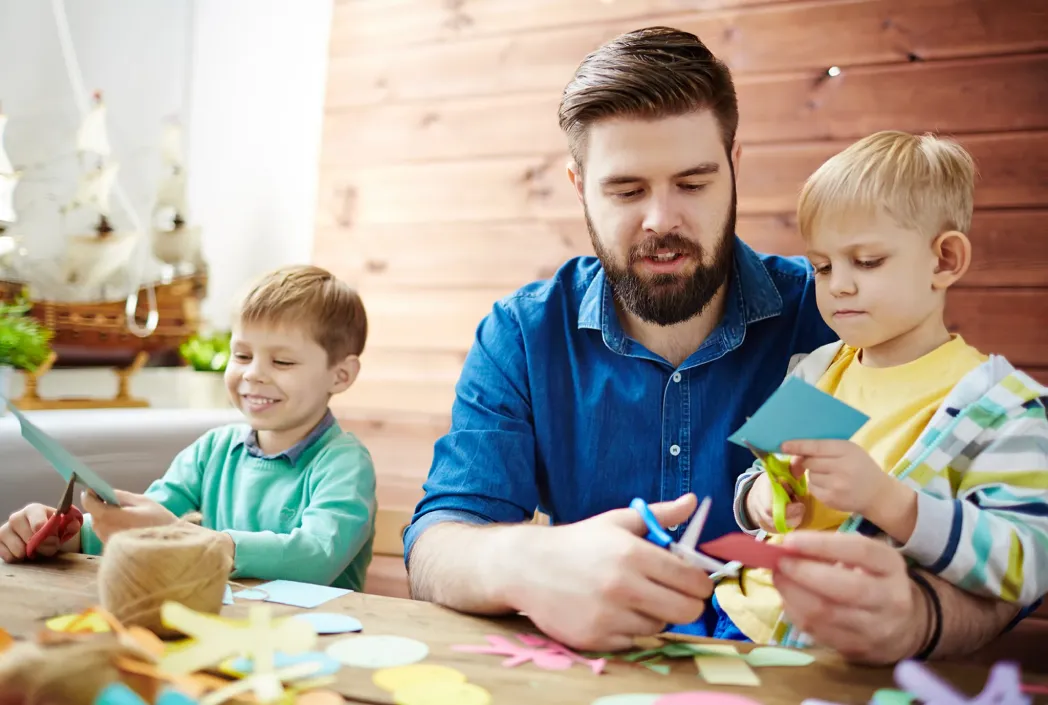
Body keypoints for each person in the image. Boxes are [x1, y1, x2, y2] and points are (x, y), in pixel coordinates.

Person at [403, 27, 1029, 663]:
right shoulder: (522, 334)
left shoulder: (844, 318)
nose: (661, 220)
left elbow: (1015, 555)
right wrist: (525, 562)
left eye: (694, 183)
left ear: (734, 165)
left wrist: (919, 618)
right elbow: (436, 545)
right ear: (578, 184)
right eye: (625, 190)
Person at [710, 131, 1048, 647]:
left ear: (944, 261)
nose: (838, 284)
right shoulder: (819, 370)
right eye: (822, 266)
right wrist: (764, 499)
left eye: (866, 262)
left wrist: (891, 503)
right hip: (727, 609)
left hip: (836, 654)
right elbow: (762, 474)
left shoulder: (1004, 408)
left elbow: (1028, 563)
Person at [0, 265, 377, 591]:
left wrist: (192, 540)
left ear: (340, 375)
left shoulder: (344, 462)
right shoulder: (213, 448)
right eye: (242, 355)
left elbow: (315, 557)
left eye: (282, 361)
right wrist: (61, 537)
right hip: (219, 624)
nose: (253, 374)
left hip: (315, 643)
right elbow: (142, 527)